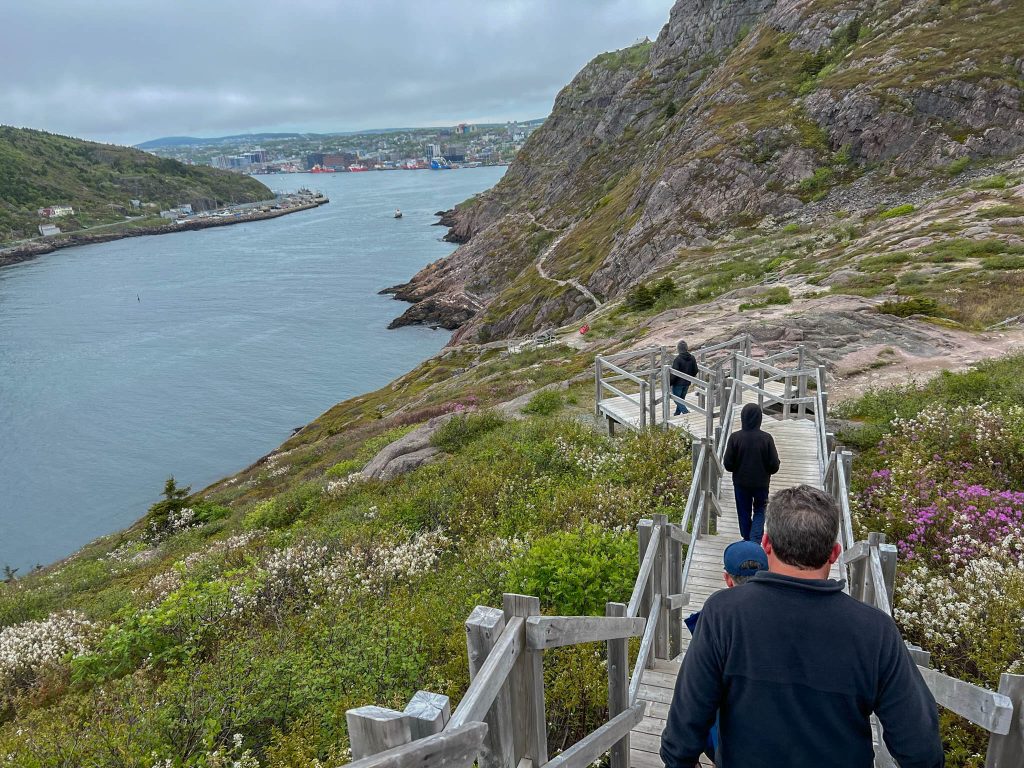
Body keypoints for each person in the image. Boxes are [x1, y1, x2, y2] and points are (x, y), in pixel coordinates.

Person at [660, 485, 944, 768]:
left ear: (766, 544)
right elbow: (921, 750)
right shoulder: (876, 630)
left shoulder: (722, 613)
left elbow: (682, 734)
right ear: (834, 553)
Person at [682, 540, 768, 763]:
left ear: (728, 579)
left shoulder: (713, 621)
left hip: (729, 747)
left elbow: (693, 702)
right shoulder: (789, 617)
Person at [723, 403, 780, 542]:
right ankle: (754, 540)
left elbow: (728, 464)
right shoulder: (766, 438)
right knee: (760, 510)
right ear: (759, 419)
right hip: (761, 483)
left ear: (743, 418)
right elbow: (774, 465)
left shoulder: (735, 438)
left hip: (741, 483)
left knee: (743, 511)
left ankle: (747, 539)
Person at [671, 341, 698, 415]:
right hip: (687, 382)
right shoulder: (692, 357)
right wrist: (690, 377)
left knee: (677, 399)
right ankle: (677, 413)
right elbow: (695, 370)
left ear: (678, 349)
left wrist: (670, 383)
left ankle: (686, 412)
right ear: (686, 348)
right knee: (681, 399)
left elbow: (674, 373)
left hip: (678, 384)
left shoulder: (678, 359)